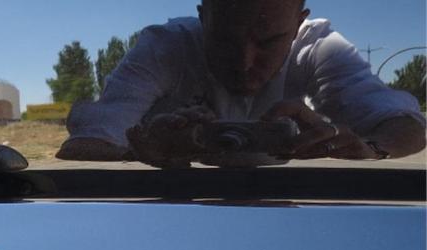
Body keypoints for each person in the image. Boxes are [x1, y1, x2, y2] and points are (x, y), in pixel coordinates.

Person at [56, 0, 426, 168]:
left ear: (299, 24)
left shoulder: (320, 47)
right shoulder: (165, 45)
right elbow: (85, 145)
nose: (244, 63)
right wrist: (144, 152)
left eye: (268, 41)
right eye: (224, 39)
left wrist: (368, 149)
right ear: (203, 18)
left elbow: (407, 126)